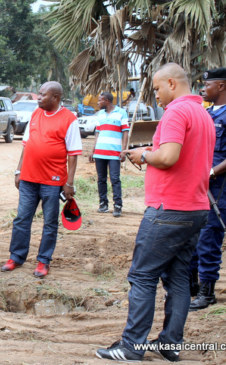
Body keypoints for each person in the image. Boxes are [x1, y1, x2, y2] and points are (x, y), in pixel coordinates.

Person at [96, 63, 214, 362]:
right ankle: (170, 344)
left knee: (143, 276)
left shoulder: (176, 111)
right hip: (195, 208)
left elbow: (169, 157)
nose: (157, 96)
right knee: (177, 279)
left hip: (168, 209)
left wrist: (144, 154)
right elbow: (184, 153)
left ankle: (131, 346)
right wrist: (153, 148)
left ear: (172, 83)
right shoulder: (203, 113)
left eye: (158, 89)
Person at [0, 81, 81, 277]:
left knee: (50, 222)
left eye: (43, 94)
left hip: (52, 181)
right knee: (22, 218)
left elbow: (73, 154)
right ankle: (16, 257)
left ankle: (43, 260)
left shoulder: (69, 119)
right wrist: (18, 171)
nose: (38, 97)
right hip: (29, 178)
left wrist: (69, 183)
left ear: (56, 98)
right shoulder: (35, 115)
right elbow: (26, 145)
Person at [189, 67, 226, 311]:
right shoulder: (205, 113)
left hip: (219, 186)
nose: (203, 89)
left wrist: (211, 172)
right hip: (196, 186)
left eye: (208, 85)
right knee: (191, 234)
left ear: (221, 86)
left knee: (209, 236)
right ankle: (190, 284)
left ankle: (207, 290)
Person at [89, 92, 129, 217]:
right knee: (101, 179)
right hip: (100, 152)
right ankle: (103, 204)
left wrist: (123, 150)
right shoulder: (100, 114)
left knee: (115, 179)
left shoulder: (121, 112)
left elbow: (125, 132)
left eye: (100, 100)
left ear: (106, 100)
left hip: (114, 153)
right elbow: (97, 133)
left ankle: (117, 205)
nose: (98, 102)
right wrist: (93, 150)